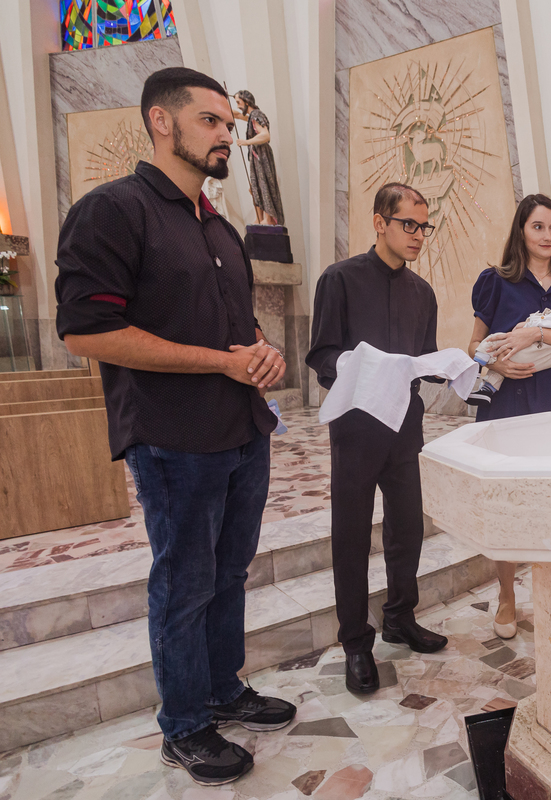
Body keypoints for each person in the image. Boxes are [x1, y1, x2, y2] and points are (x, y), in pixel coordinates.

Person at [55, 67, 295, 787]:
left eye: (228, 123)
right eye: (212, 122)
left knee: (229, 572)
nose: (227, 134)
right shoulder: (113, 211)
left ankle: (223, 689)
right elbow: (86, 331)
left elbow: (235, 323)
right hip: (172, 437)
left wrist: (259, 351)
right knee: (184, 583)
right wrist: (217, 363)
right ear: (163, 122)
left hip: (243, 427)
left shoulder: (219, 224)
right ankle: (184, 725)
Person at [306, 182, 448, 695]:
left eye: (423, 225)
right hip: (357, 429)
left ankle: (399, 618)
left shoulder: (422, 293)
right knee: (350, 536)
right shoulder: (339, 280)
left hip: (405, 428)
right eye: (408, 224)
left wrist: (454, 368)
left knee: (408, 528)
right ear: (379, 222)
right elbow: (321, 355)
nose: (417, 235)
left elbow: (423, 358)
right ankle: (356, 644)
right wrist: (353, 369)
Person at [470, 194, 551, 637]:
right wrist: (496, 364)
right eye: (538, 227)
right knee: (508, 504)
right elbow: (473, 345)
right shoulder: (495, 281)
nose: (548, 236)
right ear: (521, 232)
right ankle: (507, 596)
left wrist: (536, 332)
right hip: (507, 402)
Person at [467, 299, 551, 406]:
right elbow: (473, 342)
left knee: (492, 342)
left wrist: (533, 331)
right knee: (497, 374)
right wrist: (496, 366)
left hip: (519, 356)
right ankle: (487, 390)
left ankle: (476, 367)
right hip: (530, 368)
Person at [232, 90, 284, 226]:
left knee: (263, 184)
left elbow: (265, 135)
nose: (237, 105)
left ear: (246, 101)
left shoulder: (256, 115)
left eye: (238, 102)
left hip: (262, 156)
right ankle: (259, 218)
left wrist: (246, 142)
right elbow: (237, 114)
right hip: (257, 156)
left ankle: (268, 218)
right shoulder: (251, 116)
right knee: (255, 187)